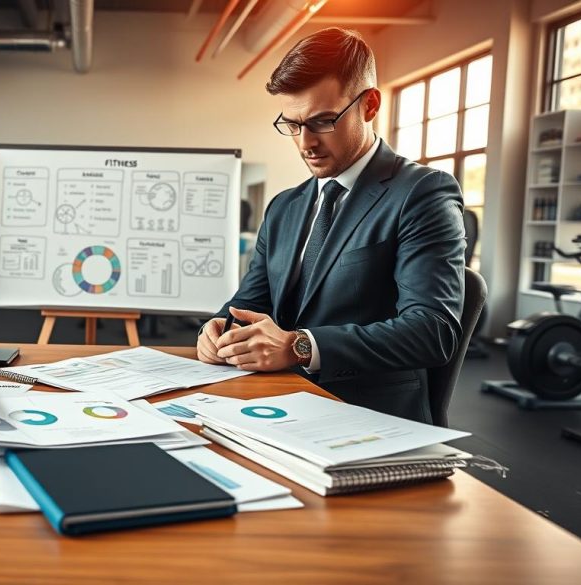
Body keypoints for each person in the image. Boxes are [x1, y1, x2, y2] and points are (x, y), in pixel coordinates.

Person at [196, 28, 465, 423]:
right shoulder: (284, 207)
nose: (305, 143)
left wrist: (299, 346)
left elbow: (432, 331)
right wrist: (218, 329)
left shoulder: (422, 193)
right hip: (272, 404)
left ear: (370, 105)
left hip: (367, 416)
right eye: (292, 124)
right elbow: (249, 304)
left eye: (323, 121)